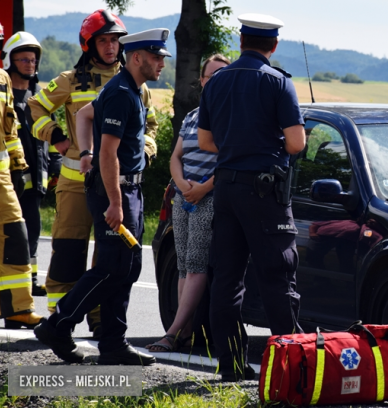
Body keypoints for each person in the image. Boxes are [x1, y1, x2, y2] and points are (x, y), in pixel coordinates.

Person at [34, 28, 170, 366]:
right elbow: (108, 153)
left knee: (127, 267)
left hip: (127, 189)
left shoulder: (130, 88)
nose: (161, 64)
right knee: (112, 266)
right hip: (117, 189)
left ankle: (112, 342)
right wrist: (114, 201)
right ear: (137, 57)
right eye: (156, 57)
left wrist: (84, 153)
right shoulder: (122, 92)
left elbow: (84, 115)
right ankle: (58, 324)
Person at [197, 13, 306, 382]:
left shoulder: (217, 82)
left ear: (241, 41)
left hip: (226, 189)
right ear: (272, 46)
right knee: (278, 278)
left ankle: (230, 368)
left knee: (227, 280)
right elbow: (296, 142)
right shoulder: (278, 83)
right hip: (266, 194)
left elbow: (205, 142)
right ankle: (290, 371)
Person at [146, 54, 229, 353]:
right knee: (183, 268)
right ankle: (185, 332)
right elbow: (175, 158)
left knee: (195, 267)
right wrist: (182, 186)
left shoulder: (231, 114)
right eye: (211, 75)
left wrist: (203, 189)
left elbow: (231, 161)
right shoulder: (193, 115)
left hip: (209, 199)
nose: (216, 80)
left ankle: (172, 333)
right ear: (203, 80)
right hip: (184, 197)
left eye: (223, 74)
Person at [0, 16, 45, 329]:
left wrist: (21, 168)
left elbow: (10, 130)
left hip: (0, 182)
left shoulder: (1, 79)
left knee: (16, 240)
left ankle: (17, 309)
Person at [2, 31, 48, 297]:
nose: (30, 64)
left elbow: (48, 138)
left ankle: (29, 279)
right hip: (8, 179)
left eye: (33, 60)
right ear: (11, 61)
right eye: (24, 60)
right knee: (8, 232)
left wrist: (53, 165)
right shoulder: (3, 96)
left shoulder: (38, 98)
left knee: (32, 230)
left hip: (35, 179)